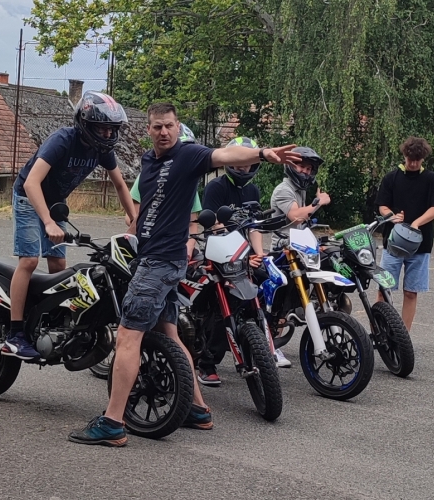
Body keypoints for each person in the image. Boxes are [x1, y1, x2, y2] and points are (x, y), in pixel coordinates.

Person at [68, 102, 301, 447]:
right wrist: (133, 232)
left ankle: (112, 423)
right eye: (157, 126)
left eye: (169, 126)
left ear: (178, 127)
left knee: (127, 336)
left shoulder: (189, 155)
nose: (163, 132)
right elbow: (144, 209)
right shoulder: (149, 161)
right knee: (169, 333)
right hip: (154, 257)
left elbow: (225, 155)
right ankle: (196, 408)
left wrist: (263, 154)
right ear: (149, 130)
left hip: (161, 262)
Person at [2, 91, 137, 360]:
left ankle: (51, 322)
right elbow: (31, 183)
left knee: (58, 265)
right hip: (29, 197)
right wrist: (48, 222)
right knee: (29, 260)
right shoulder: (62, 140)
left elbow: (121, 185)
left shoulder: (102, 150)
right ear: (85, 124)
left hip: (55, 202)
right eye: (103, 128)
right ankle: (14, 334)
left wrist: (135, 220)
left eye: (112, 129)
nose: (108, 134)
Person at [197, 136, 265, 386]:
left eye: (246, 162)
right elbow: (213, 224)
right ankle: (207, 363)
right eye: (238, 161)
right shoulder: (216, 187)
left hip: (244, 254)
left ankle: (261, 347)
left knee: (264, 285)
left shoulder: (253, 191)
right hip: (220, 253)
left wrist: (259, 254)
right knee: (222, 307)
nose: (242, 166)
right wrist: (240, 255)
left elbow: (254, 225)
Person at [375, 136, 434, 332]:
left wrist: (416, 223)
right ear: (404, 155)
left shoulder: (431, 179)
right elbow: (382, 205)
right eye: (410, 159)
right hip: (393, 245)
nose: (413, 164)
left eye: (417, 160)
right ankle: (379, 332)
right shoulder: (391, 178)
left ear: (423, 158)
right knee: (383, 289)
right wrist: (391, 216)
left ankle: (403, 337)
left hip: (420, 246)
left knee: (411, 292)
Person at [269, 146, 331, 368]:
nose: (305, 171)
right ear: (290, 166)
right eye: (301, 167)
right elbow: (296, 216)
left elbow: (302, 225)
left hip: (299, 249)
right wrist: (318, 202)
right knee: (281, 303)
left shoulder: (299, 190)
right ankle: (273, 347)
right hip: (283, 252)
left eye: (309, 169)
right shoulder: (284, 189)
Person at [126, 124, 203, 259]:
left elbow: (192, 224)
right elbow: (131, 216)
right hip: (147, 247)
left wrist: (189, 247)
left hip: (176, 250)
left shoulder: (188, 185)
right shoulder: (147, 177)